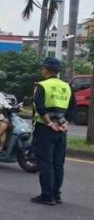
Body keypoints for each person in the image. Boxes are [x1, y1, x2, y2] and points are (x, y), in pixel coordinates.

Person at [31, 57, 76, 206]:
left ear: (46, 69)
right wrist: (65, 123)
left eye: (43, 68)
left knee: (46, 163)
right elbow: (72, 109)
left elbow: (40, 107)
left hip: (45, 129)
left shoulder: (42, 86)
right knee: (58, 163)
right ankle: (56, 195)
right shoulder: (67, 86)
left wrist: (50, 123)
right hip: (61, 130)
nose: (42, 70)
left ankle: (47, 196)